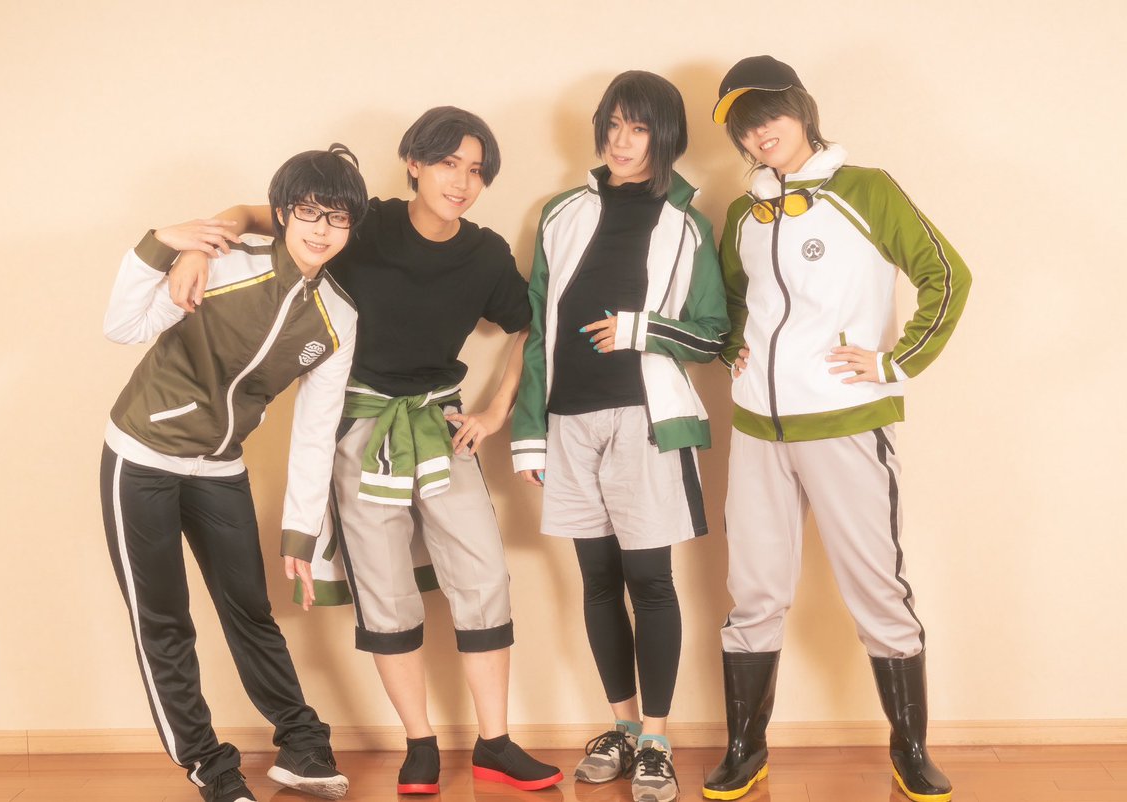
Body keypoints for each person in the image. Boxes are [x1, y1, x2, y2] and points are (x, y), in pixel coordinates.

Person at [168, 107, 562, 795]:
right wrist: (200, 246)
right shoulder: (363, 223)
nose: (461, 181)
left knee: (484, 577)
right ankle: (419, 744)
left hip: (439, 425)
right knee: (384, 589)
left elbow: (531, 326)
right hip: (359, 427)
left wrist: (497, 410)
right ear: (414, 163)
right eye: (447, 163)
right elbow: (257, 214)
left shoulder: (487, 255)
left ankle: (495, 743)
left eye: (475, 171)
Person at [702, 56, 972, 802]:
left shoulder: (866, 190)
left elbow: (947, 275)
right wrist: (733, 351)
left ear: (801, 109)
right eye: (743, 126)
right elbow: (729, 301)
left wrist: (894, 363)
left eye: (768, 114)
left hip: (845, 423)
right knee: (753, 591)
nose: (759, 133)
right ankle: (745, 747)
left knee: (877, 587)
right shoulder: (744, 214)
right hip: (758, 430)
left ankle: (910, 747)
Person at [100, 145, 367, 802]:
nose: (322, 229)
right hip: (142, 458)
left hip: (220, 468)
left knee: (250, 609)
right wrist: (163, 245)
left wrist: (301, 530)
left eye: (337, 217)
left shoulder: (338, 319)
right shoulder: (224, 264)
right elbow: (124, 325)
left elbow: (316, 432)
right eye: (309, 212)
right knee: (164, 620)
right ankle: (210, 768)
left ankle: (302, 745)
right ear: (283, 213)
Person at [509, 71, 730, 802]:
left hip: (645, 422)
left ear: (664, 136)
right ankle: (624, 727)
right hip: (570, 423)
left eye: (637, 127)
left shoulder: (687, 225)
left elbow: (712, 334)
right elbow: (536, 328)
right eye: (613, 124)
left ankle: (658, 740)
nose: (621, 140)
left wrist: (641, 330)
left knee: (651, 582)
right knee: (597, 581)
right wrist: (531, 433)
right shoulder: (561, 213)